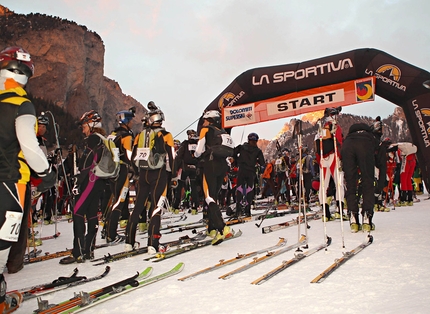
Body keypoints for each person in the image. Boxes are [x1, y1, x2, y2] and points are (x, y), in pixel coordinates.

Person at [0, 46, 56, 312]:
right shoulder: (21, 104)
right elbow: (30, 146)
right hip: (11, 180)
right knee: (3, 240)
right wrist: (46, 173)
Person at [59, 110, 107, 264]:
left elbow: (86, 164)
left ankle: (78, 252)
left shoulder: (93, 139)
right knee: (92, 214)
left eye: (84, 125)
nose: (83, 129)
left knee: (78, 212)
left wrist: (78, 182)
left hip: (89, 180)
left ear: (91, 124)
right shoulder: (102, 139)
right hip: (99, 181)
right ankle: (89, 250)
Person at [127, 102, 175, 253]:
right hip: (159, 173)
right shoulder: (166, 135)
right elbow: (172, 157)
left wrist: (136, 172)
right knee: (156, 207)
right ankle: (152, 244)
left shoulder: (140, 135)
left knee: (138, 207)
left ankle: (129, 242)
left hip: (142, 174)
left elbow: (133, 156)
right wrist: (172, 176)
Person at [194, 110, 234, 245]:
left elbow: (198, 152)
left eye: (205, 120)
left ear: (209, 120)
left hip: (210, 164)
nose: (203, 123)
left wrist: (196, 155)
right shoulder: (222, 132)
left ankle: (223, 228)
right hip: (222, 164)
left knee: (208, 197)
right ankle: (211, 228)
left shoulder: (206, 130)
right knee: (214, 197)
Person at [103, 108, 136, 244]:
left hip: (111, 170)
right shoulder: (126, 136)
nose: (133, 123)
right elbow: (129, 155)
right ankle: (112, 234)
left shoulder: (112, 134)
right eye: (131, 120)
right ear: (127, 121)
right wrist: (135, 167)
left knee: (115, 199)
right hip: (121, 169)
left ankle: (107, 229)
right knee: (120, 201)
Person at [341, 123, 379, 232]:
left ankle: (353, 219)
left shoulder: (349, 136)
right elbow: (377, 146)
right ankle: (367, 218)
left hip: (348, 147)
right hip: (365, 146)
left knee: (351, 183)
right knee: (368, 182)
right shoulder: (369, 135)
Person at [314, 107, 345, 221]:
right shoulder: (335, 127)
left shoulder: (320, 129)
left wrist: (320, 161)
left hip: (323, 159)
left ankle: (325, 214)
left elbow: (317, 148)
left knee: (323, 186)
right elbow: (340, 143)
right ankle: (339, 211)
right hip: (333, 156)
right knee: (339, 184)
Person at [232, 132, 265, 217]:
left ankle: (238, 210)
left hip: (241, 170)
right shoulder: (258, 151)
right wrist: (258, 164)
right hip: (251, 171)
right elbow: (262, 163)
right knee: (249, 190)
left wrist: (237, 161)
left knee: (239, 190)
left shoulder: (242, 147)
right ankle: (247, 211)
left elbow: (233, 153)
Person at [172, 130, 200, 214]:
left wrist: (175, 169)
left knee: (179, 187)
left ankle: (176, 207)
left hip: (185, 168)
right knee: (194, 187)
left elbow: (179, 156)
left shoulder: (185, 143)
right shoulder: (198, 144)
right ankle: (195, 206)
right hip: (194, 168)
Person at [393, 142, 417, 206]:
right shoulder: (410, 148)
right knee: (408, 179)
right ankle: (409, 199)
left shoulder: (399, 147)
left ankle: (403, 199)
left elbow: (398, 154)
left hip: (406, 161)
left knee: (403, 179)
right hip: (412, 160)